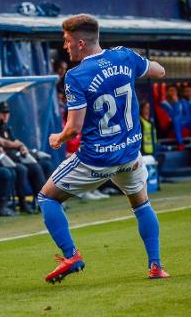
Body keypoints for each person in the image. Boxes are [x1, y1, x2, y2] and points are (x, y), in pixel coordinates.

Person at [38, 14, 168, 284]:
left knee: (47, 198)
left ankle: (71, 255)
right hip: (130, 154)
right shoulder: (124, 56)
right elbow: (159, 71)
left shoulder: (76, 76)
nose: (65, 47)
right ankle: (155, 266)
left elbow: (74, 128)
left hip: (96, 159)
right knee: (142, 204)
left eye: (67, 41)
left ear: (81, 42)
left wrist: (58, 138)